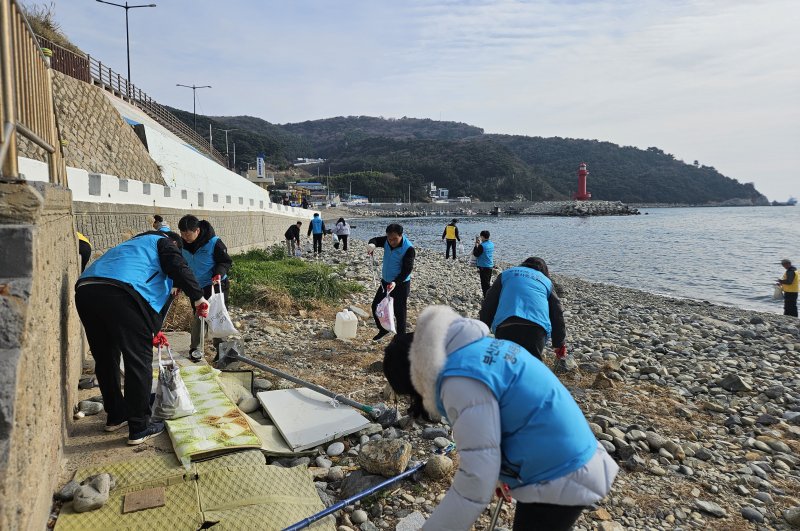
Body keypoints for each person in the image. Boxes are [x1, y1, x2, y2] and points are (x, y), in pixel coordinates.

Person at [382, 306, 618, 531]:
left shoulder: (459, 381)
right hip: (569, 454)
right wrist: (500, 472)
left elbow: (474, 482)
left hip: (560, 473)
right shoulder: (475, 349)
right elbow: (508, 418)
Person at [75, 230, 207, 445]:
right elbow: (179, 266)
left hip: (86, 290)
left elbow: (151, 299)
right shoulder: (163, 242)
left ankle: (116, 415)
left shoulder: (131, 246)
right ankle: (140, 426)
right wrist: (199, 297)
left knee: (105, 358)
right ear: (174, 243)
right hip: (122, 293)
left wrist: (153, 331)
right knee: (138, 360)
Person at [479, 256, 567, 368]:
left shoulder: (506, 275)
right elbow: (557, 313)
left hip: (506, 326)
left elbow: (489, 304)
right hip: (536, 330)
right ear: (544, 271)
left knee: (505, 367)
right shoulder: (546, 281)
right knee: (531, 369)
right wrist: (559, 343)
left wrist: (482, 331)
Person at [178, 215, 233, 360]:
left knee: (216, 316)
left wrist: (218, 273)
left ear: (197, 230)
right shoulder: (182, 244)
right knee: (198, 316)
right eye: (182, 234)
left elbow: (225, 262)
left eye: (188, 234)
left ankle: (222, 351)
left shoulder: (214, 242)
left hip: (215, 285)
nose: (185, 237)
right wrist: (177, 283)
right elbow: (180, 264)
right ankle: (195, 350)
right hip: (195, 287)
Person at [367, 223, 415, 341]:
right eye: (389, 239)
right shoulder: (387, 241)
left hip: (400, 284)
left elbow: (407, 270)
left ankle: (400, 339)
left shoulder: (409, 249)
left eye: (395, 239)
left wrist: (395, 282)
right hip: (385, 283)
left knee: (399, 313)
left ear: (401, 235)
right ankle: (383, 329)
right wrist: (372, 245)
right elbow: (375, 240)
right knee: (376, 306)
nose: (392, 242)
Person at [472, 230, 494, 296]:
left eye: (481, 236)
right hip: (490, 265)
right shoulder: (491, 244)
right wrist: (479, 244)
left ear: (482, 237)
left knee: (484, 284)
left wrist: (476, 246)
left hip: (483, 266)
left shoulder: (482, 246)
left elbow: (476, 254)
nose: (480, 238)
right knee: (487, 282)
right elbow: (484, 251)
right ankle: (489, 295)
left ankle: (486, 297)